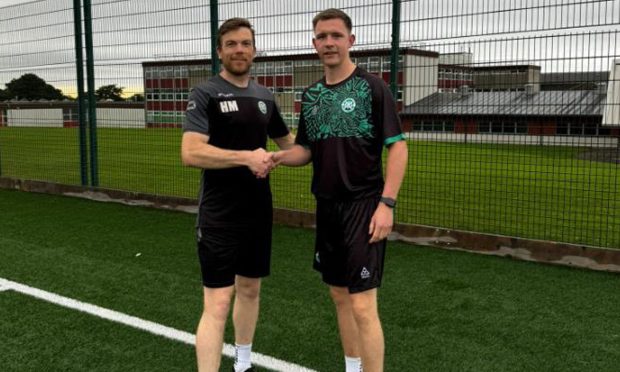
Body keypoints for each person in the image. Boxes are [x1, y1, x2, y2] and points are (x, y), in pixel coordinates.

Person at [273, 8, 408, 372]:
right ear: (313, 43)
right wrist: (276, 158)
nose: (328, 42)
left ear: (351, 40)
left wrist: (387, 204)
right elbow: (305, 150)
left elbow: (397, 145)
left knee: (364, 304)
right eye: (321, 36)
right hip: (327, 208)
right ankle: (353, 367)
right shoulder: (312, 96)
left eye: (335, 35)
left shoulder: (373, 88)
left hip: (364, 207)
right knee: (338, 295)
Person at [181, 18, 294, 372]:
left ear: (254, 50)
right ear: (220, 52)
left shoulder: (264, 96)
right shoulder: (206, 94)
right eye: (231, 44)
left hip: (258, 212)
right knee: (217, 302)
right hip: (219, 216)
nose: (239, 50)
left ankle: (242, 364)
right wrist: (247, 157)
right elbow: (191, 152)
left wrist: (327, 145)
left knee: (250, 291)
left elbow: (288, 146)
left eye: (245, 43)